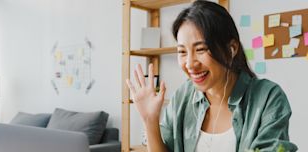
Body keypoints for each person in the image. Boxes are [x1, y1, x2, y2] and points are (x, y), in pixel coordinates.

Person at [126, 0, 298, 152]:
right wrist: (150, 120)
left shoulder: (268, 98)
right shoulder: (182, 96)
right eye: (182, 52)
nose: (190, 63)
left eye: (201, 49)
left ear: (232, 48)